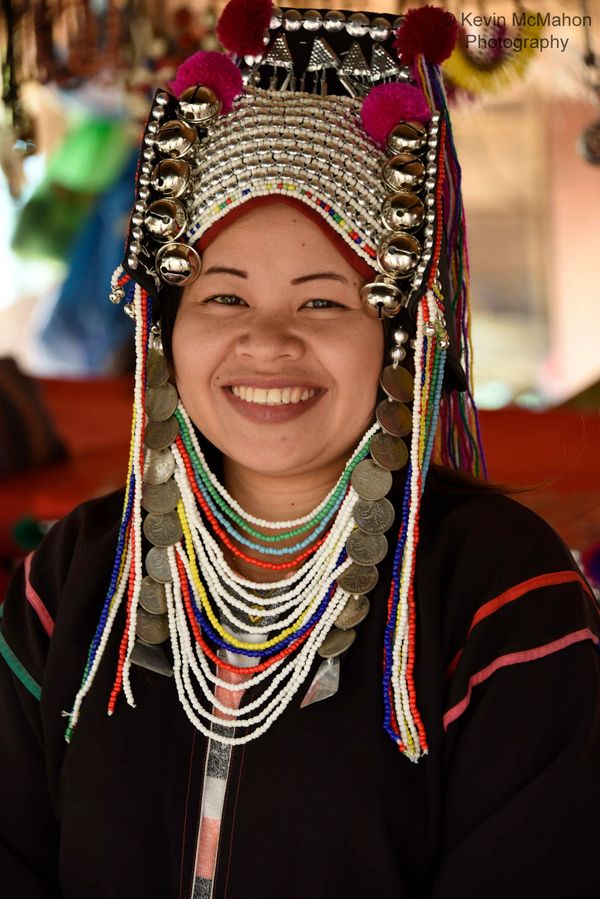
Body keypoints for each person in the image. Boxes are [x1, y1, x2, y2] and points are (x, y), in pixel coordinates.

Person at [1, 4, 599, 898]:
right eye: (224, 300)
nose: (268, 343)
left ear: (400, 330)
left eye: (323, 302)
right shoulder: (75, 577)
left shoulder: (502, 597)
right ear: (165, 328)